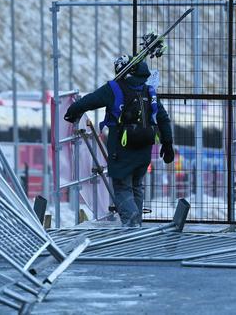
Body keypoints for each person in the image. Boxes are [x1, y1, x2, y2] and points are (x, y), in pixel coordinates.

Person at [63, 56, 175, 227]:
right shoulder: (148, 91)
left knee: (122, 187)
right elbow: (163, 118)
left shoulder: (114, 88)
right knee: (137, 185)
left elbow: (90, 100)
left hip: (121, 149)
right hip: (145, 148)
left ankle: (131, 224)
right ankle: (137, 225)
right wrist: (168, 144)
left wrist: (71, 112)